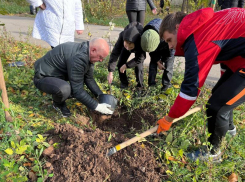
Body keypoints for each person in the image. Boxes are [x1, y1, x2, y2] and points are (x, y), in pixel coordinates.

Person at [157, 8, 245, 162]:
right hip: (241, 57)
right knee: (220, 94)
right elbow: (231, 49)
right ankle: (229, 133)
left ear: (178, 28)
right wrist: (224, 85)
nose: (170, 46)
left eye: (169, 40)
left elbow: (190, 90)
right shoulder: (205, 25)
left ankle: (213, 154)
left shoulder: (198, 39)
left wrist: (169, 118)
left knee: (216, 107)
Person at [34, 38, 113, 117]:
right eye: (100, 57)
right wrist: (97, 106)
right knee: (65, 89)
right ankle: (58, 104)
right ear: (93, 50)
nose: (101, 60)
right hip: (43, 76)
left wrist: (100, 96)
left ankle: (59, 91)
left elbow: (89, 78)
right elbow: (78, 91)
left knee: (77, 89)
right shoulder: (78, 58)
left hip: (58, 74)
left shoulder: (87, 54)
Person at [107, 22, 146, 92]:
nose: (127, 48)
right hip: (128, 41)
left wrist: (127, 65)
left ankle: (140, 86)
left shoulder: (141, 41)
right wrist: (110, 72)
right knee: (120, 63)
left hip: (138, 47)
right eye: (126, 46)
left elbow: (140, 58)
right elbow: (115, 53)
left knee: (139, 67)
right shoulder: (122, 36)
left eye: (130, 47)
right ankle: (124, 84)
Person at [140, 18, 175, 93]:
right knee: (153, 64)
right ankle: (151, 86)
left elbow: (170, 53)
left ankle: (166, 87)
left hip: (167, 45)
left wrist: (163, 60)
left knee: (168, 66)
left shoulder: (167, 34)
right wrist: (158, 62)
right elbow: (150, 50)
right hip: (157, 40)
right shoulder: (146, 36)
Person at [217, 0, 245, 76]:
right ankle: (222, 75)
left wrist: (240, 10)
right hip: (224, 13)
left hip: (235, 15)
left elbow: (242, 1)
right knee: (223, 44)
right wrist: (221, 4)